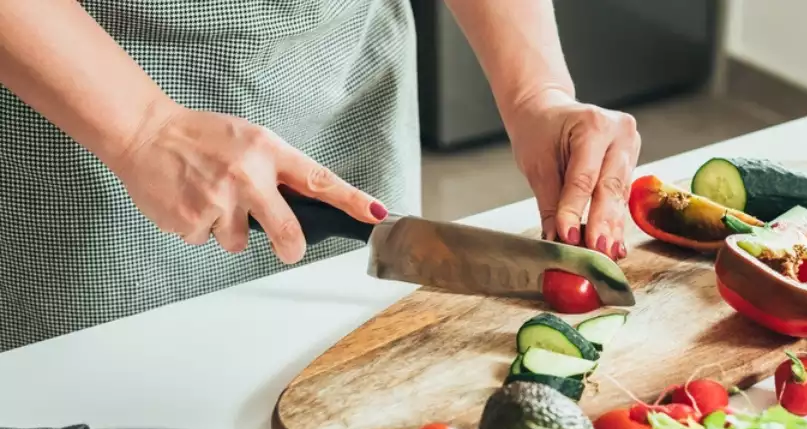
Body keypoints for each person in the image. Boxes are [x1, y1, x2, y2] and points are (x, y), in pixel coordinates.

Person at [0, 0, 641, 352]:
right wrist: (143, 128)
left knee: (343, 365)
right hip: (87, 120)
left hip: (345, 86)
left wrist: (538, 93)